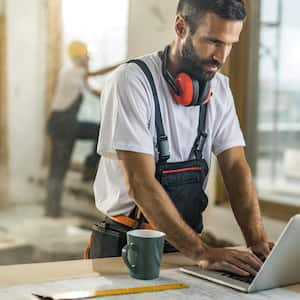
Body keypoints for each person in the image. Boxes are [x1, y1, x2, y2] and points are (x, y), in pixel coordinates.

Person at [87, 0, 273, 277]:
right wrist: (202, 252)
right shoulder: (131, 82)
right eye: (213, 41)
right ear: (180, 26)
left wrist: (257, 242)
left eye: (230, 44)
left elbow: (235, 167)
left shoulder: (219, 88)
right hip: (129, 245)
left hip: (186, 245)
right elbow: (139, 182)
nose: (221, 56)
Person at [45, 40, 119, 218]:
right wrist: (120, 66)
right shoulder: (71, 71)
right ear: (79, 58)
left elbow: (95, 92)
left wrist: (117, 95)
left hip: (68, 125)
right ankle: (52, 210)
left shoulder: (78, 75)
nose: (88, 59)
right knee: (58, 167)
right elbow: (93, 73)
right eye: (86, 56)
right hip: (60, 124)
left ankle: (89, 166)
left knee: (99, 130)